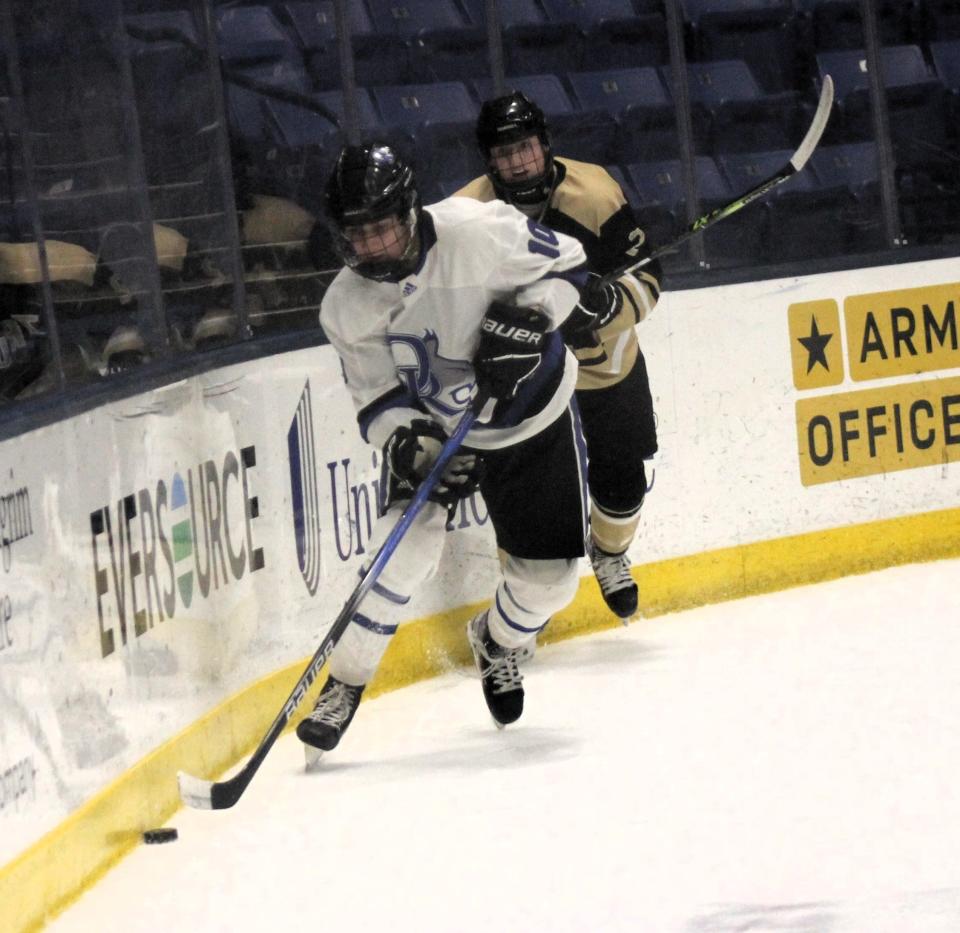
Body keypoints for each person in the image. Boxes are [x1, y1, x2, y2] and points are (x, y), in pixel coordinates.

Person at [297, 140, 622, 755]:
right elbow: (377, 398)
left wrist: (533, 321)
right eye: (356, 236)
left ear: (411, 211)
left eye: (382, 231)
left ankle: (497, 640)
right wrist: (411, 444)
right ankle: (344, 681)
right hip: (440, 428)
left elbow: (571, 267)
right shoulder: (345, 305)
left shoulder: (478, 231)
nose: (370, 248)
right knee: (405, 550)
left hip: (531, 415)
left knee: (550, 586)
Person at [455, 91, 661, 620]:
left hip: (603, 363)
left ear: (544, 144)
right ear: (488, 161)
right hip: (527, 378)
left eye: (524, 147)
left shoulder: (594, 191)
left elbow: (649, 277)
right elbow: (453, 307)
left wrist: (607, 304)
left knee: (624, 479)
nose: (517, 162)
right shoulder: (468, 214)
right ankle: (523, 609)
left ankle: (610, 553)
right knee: (530, 502)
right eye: (503, 154)